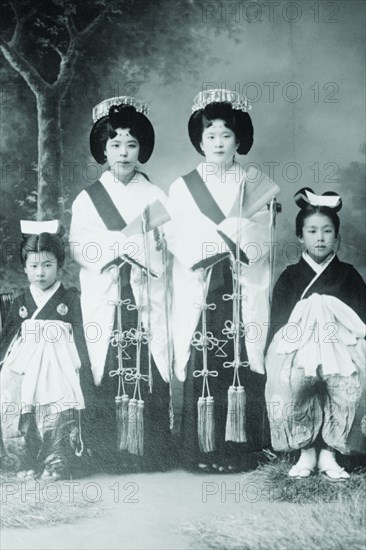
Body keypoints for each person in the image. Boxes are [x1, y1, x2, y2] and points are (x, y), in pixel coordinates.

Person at [166, 88, 279, 472]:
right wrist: (214, 241)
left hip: (240, 280)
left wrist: (239, 234)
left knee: (242, 358)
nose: (218, 142)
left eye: (226, 135)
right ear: (199, 139)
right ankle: (200, 451)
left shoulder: (255, 182)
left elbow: (263, 232)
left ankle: (241, 452)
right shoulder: (182, 187)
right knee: (203, 360)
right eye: (210, 135)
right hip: (202, 282)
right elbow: (175, 234)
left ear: (239, 139)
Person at [69, 97, 173, 473]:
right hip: (109, 291)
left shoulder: (156, 195)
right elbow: (80, 245)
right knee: (107, 362)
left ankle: (152, 452)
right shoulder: (87, 198)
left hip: (143, 291)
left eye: (131, 144)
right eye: (115, 145)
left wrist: (143, 250)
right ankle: (109, 453)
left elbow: (166, 244)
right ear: (103, 148)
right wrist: (120, 249)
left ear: (141, 147)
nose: (124, 152)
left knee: (148, 358)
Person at [265, 188, 366, 480]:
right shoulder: (289, 276)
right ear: (300, 237)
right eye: (311, 231)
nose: (319, 237)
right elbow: (279, 326)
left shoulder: (348, 275)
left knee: (351, 382)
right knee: (291, 381)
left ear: (336, 236)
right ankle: (305, 451)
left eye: (327, 231)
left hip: (342, 349)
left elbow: (361, 320)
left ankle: (331, 453)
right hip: (298, 348)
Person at [0, 221, 92, 480]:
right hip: (24, 362)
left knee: (59, 397)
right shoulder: (20, 301)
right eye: (34, 266)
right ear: (25, 267)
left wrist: (82, 366)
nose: (40, 272)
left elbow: (82, 337)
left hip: (60, 362)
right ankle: (24, 460)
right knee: (15, 396)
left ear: (58, 265)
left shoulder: (71, 299)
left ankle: (56, 461)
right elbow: (7, 338)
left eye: (47, 265)